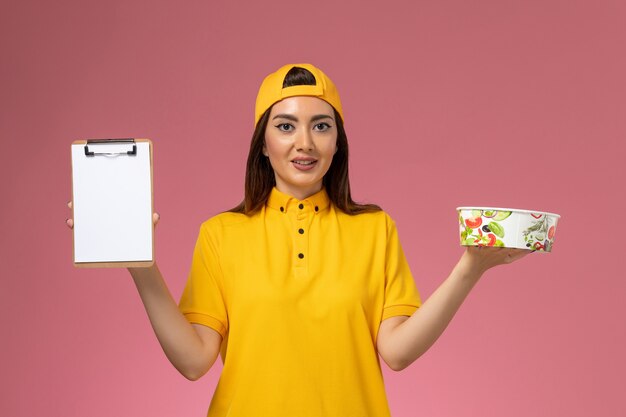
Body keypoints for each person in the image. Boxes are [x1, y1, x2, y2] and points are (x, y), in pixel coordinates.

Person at [67, 63, 528, 416]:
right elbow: (193, 362)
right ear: (263, 145)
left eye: (321, 126)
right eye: (285, 126)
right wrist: (139, 262)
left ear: (337, 143)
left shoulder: (375, 229)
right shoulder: (222, 234)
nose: (304, 142)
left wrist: (471, 268)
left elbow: (398, 352)